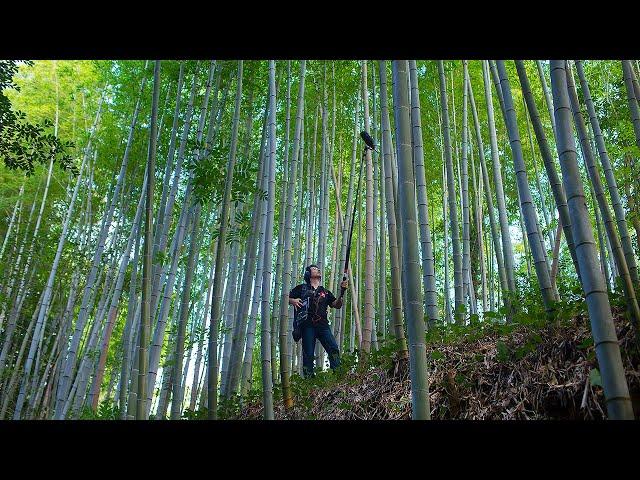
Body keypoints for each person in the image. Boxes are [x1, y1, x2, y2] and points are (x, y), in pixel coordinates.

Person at [288, 265, 348, 377]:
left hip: (323, 325)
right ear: (308, 274)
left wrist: (341, 293)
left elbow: (336, 305)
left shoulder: (325, 291)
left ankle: (338, 375)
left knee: (333, 348)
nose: (318, 270)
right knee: (308, 355)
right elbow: (286, 297)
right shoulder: (301, 288)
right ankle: (309, 383)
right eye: (315, 269)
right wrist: (293, 300)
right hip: (307, 326)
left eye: (318, 269)